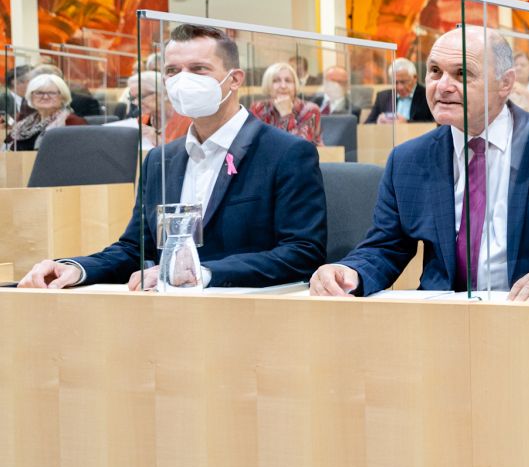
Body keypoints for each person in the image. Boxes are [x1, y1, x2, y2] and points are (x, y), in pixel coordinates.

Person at [309, 26, 529, 299]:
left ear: (505, 83)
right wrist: (350, 271)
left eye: (462, 74)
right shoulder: (407, 159)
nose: (443, 86)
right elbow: (386, 246)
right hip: (444, 314)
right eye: (435, 71)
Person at [16, 24, 326, 290]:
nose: (183, 80)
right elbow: (135, 249)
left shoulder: (285, 153)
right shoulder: (160, 160)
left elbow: (302, 252)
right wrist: (77, 268)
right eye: (172, 71)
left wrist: (203, 274)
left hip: (248, 310)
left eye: (199, 69)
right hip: (167, 312)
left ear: (234, 79)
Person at [6, 72, 87, 152]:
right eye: (39, 93)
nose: (45, 97)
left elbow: (77, 153)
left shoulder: (73, 122)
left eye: (52, 93)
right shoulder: (23, 123)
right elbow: (6, 148)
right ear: (31, 97)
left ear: (63, 97)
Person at [249, 61, 323, 144]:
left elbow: (299, 147)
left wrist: (286, 114)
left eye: (288, 81)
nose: (283, 86)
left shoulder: (310, 109)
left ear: (295, 86)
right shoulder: (258, 107)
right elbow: (252, 142)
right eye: (276, 81)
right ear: (268, 86)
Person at [105, 71, 164, 150]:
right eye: (133, 98)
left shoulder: (178, 120)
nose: (136, 103)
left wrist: (158, 140)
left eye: (141, 96)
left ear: (160, 93)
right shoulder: (141, 120)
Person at [367, 57, 433, 124]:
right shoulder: (382, 97)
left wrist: (407, 123)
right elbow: (367, 124)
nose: (400, 87)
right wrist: (378, 121)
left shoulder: (427, 95)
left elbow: (435, 124)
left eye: (403, 82)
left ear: (415, 78)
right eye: (395, 82)